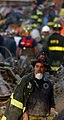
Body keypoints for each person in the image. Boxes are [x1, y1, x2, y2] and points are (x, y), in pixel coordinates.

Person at [1, 51, 58, 120]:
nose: (39, 69)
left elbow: (51, 101)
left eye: (42, 67)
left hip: (43, 117)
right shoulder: (26, 80)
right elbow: (18, 100)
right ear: (34, 67)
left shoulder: (48, 84)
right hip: (30, 117)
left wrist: (52, 111)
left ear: (45, 68)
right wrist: (24, 114)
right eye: (37, 66)